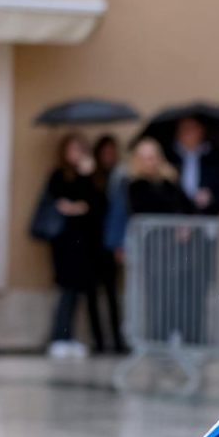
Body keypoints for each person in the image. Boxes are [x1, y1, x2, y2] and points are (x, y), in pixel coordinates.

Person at [123, 137, 204, 344]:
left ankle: (186, 337)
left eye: (153, 157)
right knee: (158, 297)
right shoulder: (135, 185)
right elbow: (141, 211)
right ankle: (157, 339)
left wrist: (186, 224)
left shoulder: (170, 181)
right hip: (155, 250)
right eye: (146, 158)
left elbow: (189, 207)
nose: (151, 162)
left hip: (181, 250)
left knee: (183, 294)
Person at [45, 132, 107, 358]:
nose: (75, 154)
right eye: (71, 149)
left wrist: (88, 177)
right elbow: (61, 202)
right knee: (67, 291)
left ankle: (69, 338)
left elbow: (94, 204)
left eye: (79, 149)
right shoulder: (59, 175)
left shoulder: (92, 176)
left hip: (87, 245)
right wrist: (76, 206)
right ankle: (59, 337)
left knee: (81, 293)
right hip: (64, 243)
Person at [92, 134, 129, 353]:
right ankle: (99, 342)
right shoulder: (92, 176)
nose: (108, 156)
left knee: (112, 292)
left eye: (111, 151)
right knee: (92, 295)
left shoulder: (119, 176)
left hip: (110, 242)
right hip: (91, 243)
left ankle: (116, 340)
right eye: (104, 152)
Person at [168, 117, 219, 215]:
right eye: (185, 129)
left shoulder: (214, 159)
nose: (189, 134)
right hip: (173, 222)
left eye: (193, 129)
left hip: (205, 220)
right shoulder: (169, 157)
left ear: (202, 131)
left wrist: (211, 197)